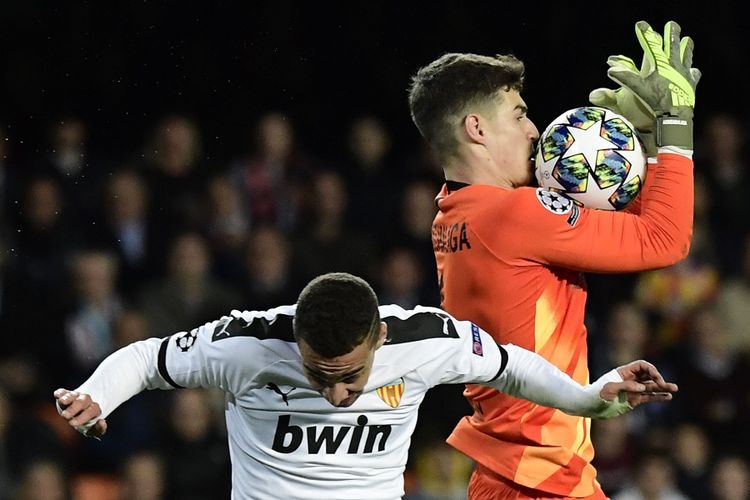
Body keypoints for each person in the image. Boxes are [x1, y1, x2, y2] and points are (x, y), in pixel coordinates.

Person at [54, 272, 677, 499]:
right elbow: (148, 357)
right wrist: (96, 395)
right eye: (317, 376)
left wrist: (591, 397)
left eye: (350, 378)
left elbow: (511, 364)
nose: (335, 397)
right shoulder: (246, 346)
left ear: (378, 338)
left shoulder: (427, 339)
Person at [407, 21, 699, 499]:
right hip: (540, 477)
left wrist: (638, 147)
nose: (534, 129)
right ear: (476, 129)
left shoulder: (454, 213)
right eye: (518, 115)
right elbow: (665, 238)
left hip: (516, 473)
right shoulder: (515, 215)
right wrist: (675, 126)